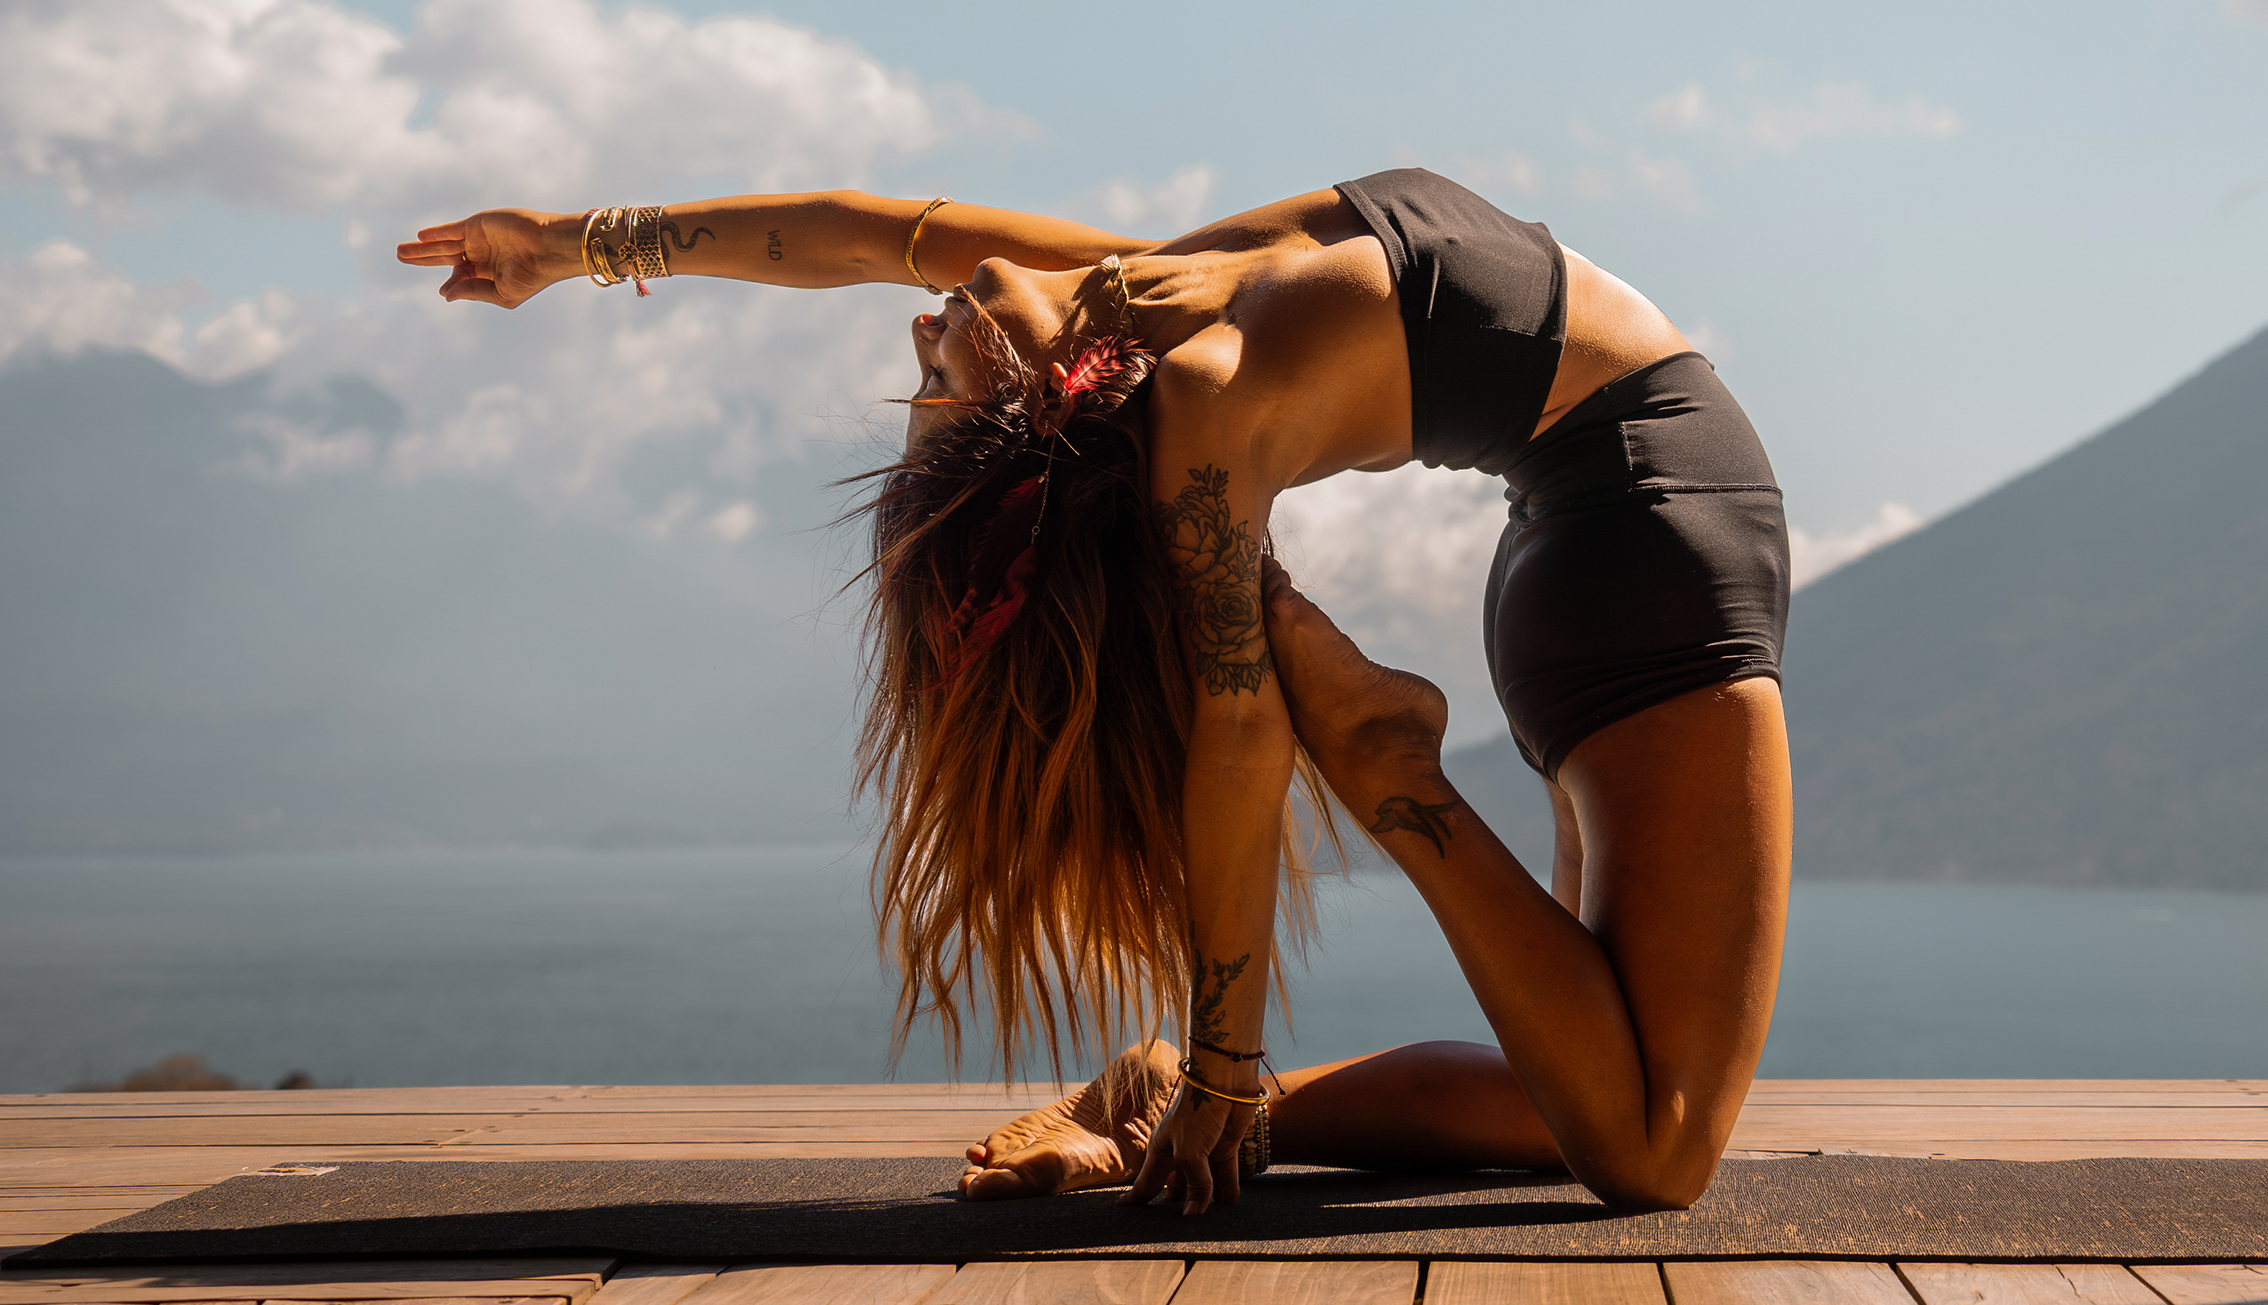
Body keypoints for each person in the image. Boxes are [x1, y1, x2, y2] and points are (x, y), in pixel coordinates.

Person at [399, 174, 1790, 1214]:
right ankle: (1388, 766)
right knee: (1656, 1146)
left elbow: (854, 229)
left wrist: (576, 248)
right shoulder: (1196, 398)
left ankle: (1172, 1095)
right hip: (1650, 547)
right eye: (934, 377)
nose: (921, 333)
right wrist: (1227, 1054)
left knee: (1568, 1093)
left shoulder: (1142, 289)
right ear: (1024, 430)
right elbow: (1237, 735)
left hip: (1592, 539)